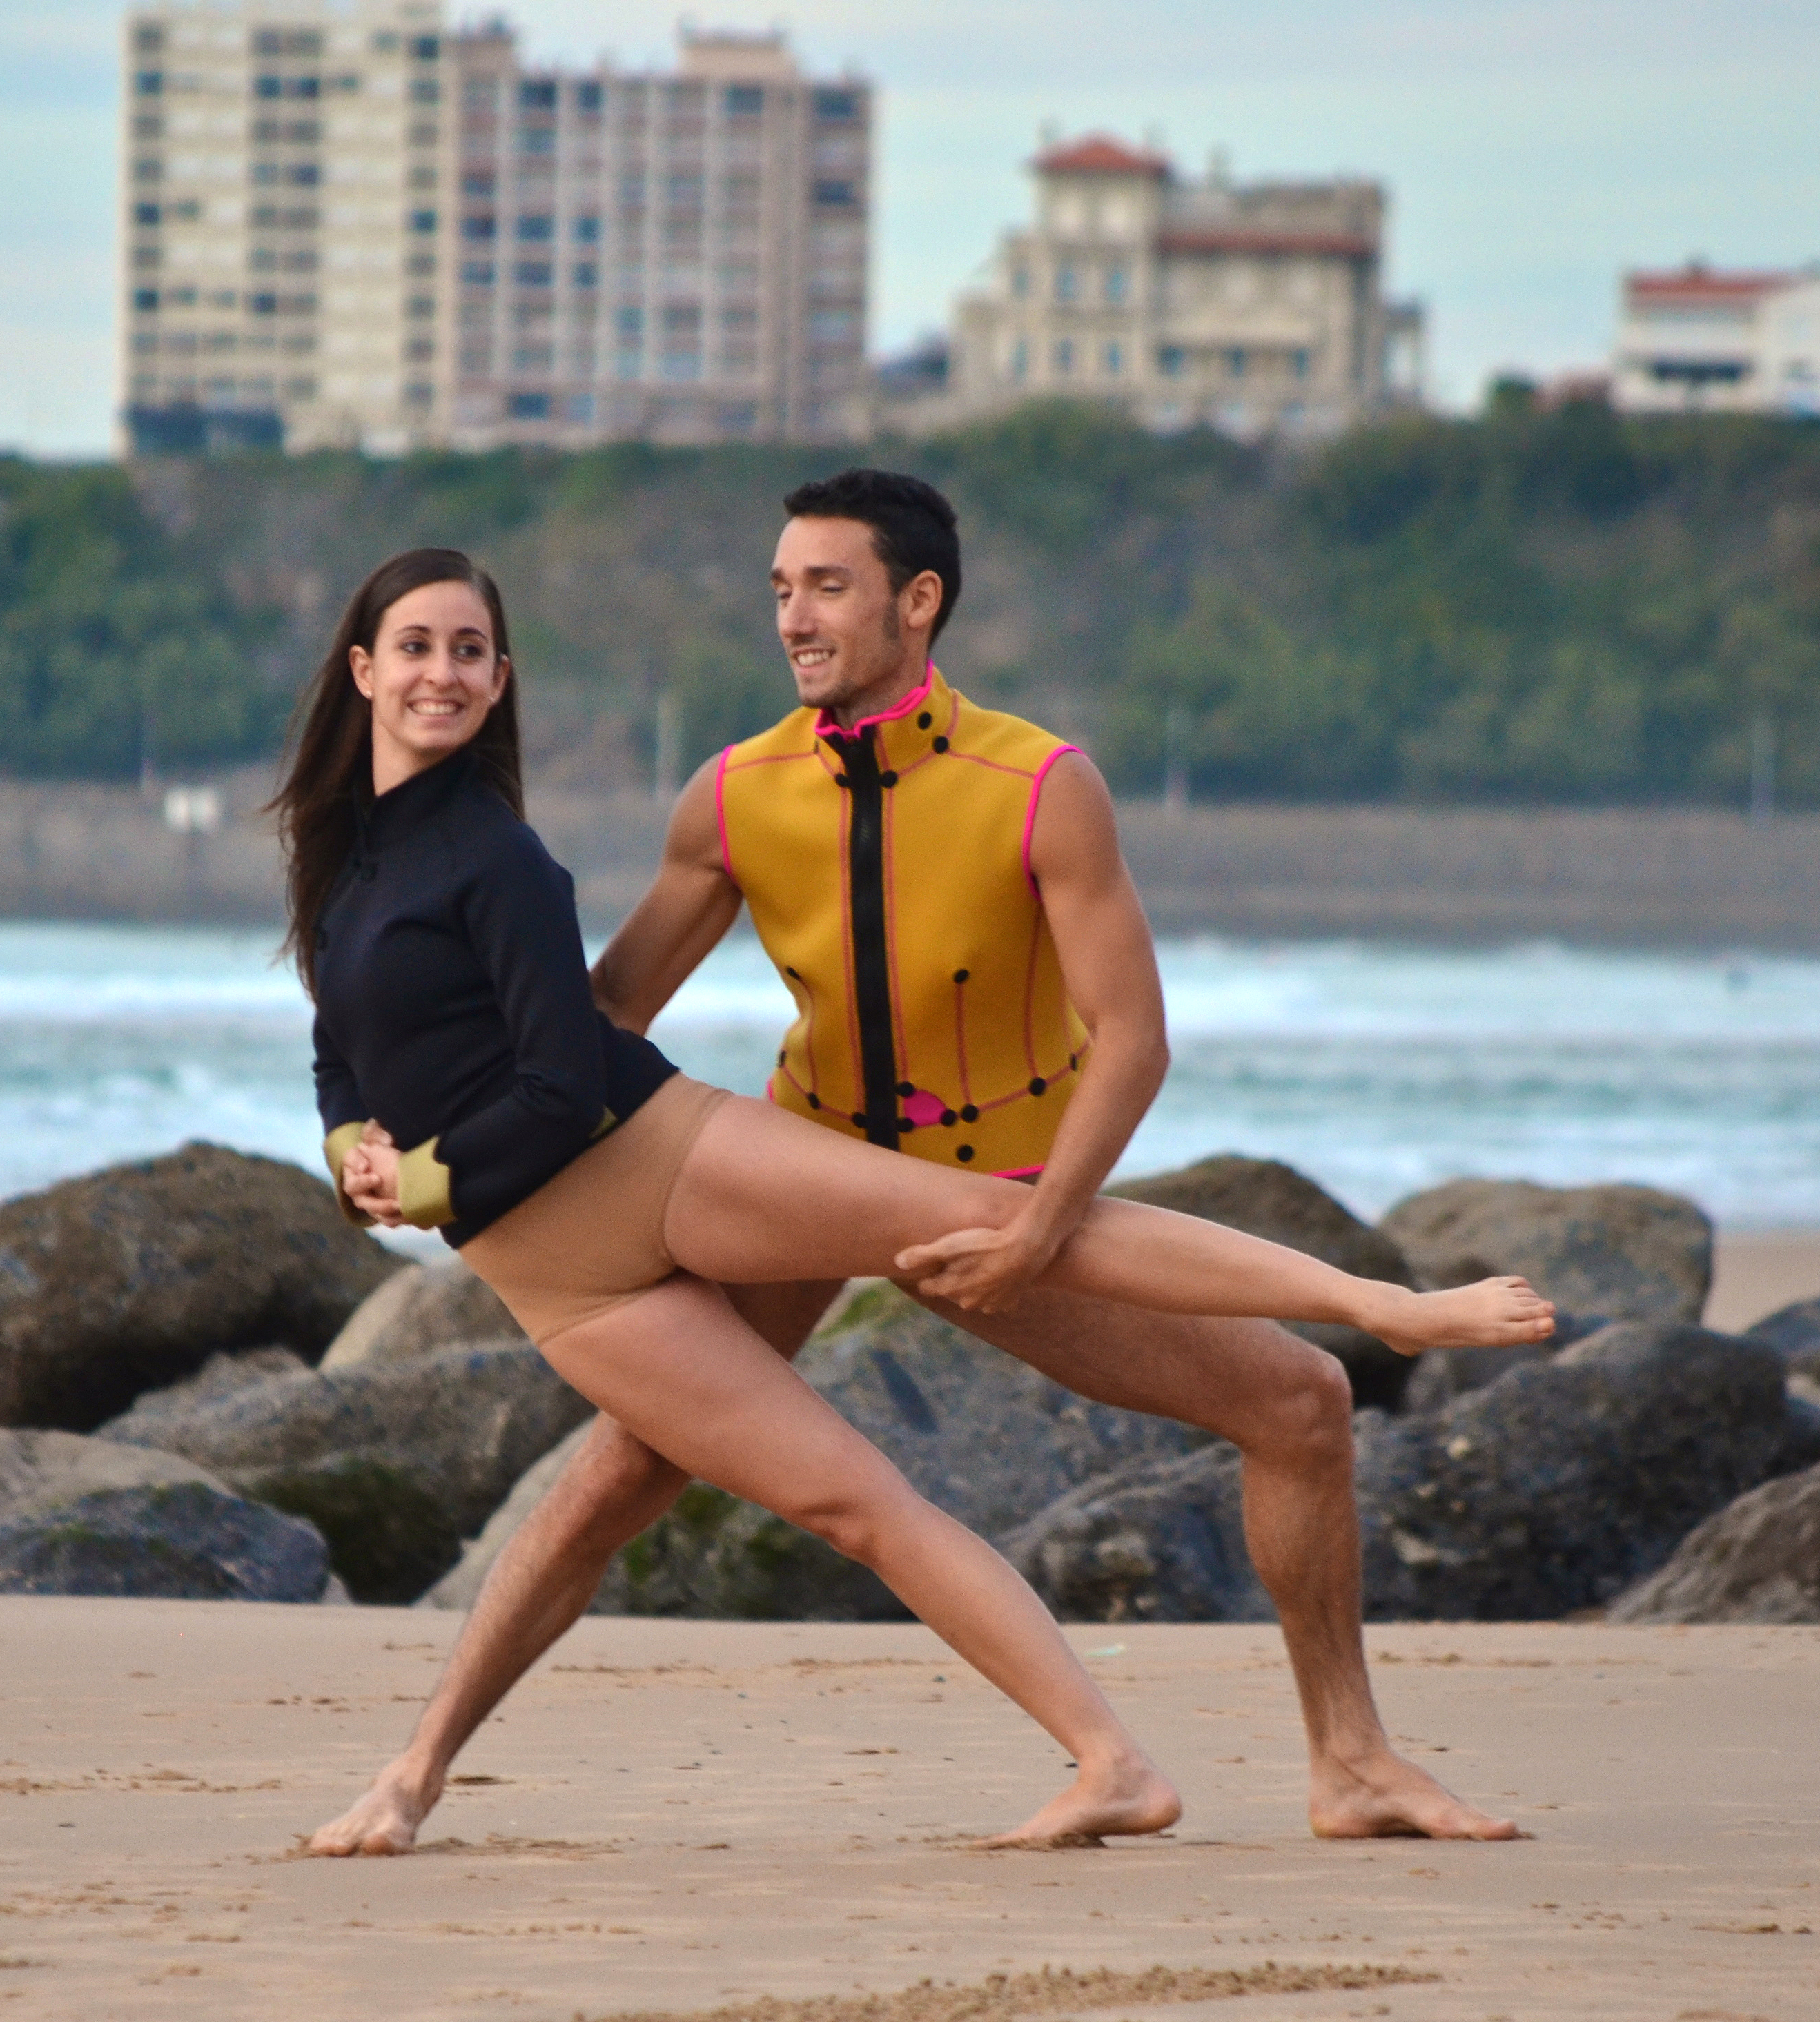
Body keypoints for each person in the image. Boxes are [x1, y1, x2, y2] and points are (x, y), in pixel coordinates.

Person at [284, 542, 1552, 1849]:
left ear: (918, 599)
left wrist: (1048, 1217)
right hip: (614, 1231)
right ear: (364, 670)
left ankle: (1376, 1339)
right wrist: (356, 1156)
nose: (793, 612)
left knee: (1290, 1392)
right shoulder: (711, 798)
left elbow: (1131, 1039)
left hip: (822, 1175)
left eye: (827, 584)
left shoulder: (1032, 784)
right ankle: (414, 1772)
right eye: (777, 585)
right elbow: (527, 1018)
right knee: (648, 1481)